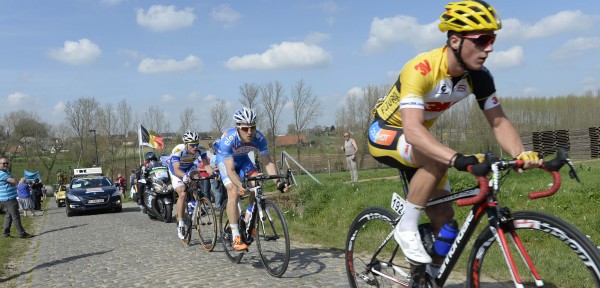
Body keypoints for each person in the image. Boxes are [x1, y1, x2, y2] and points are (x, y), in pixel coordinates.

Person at [367, 0, 542, 266]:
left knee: (445, 220)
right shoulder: (421, 68)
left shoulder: (478, 76)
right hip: (387, 132)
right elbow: (413, 130)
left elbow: (498, 122)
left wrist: (521, 153)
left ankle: (429, 274)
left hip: (420, 142)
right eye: (482, 40)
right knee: (437, 159)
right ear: (456, 41)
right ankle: (406, 226)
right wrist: (458, 159)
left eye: (492, 39)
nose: (490, 48)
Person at [215, 107, 289, 251]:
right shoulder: (229, 140)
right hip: (225, 161)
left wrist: (278, 183)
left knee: (258, 182)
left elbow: (268, 162)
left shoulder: (259, 138)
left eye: (252, 128)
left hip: (243, 161)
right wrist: (239, 184)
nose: (249, 132)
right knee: (233, 191)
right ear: (238, 128)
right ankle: (235, 235)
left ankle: (249, 214)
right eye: (245, 128)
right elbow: (230, 170)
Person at [168, 131, 214, 240]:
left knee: (196, 178)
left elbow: (206, 166)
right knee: (182, 193)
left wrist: (213, 173)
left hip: (189, 167)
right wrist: (184, 176)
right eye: (192, 145)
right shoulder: (178, 150)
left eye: (196, 144)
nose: (195, 147)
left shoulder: (201, 149)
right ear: (186, 144)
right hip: (176, 170)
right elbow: (176, 169)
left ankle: (195, 201)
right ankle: (180, 222)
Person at [0, 158, 34, 238]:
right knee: (16, 216)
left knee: (9, 215)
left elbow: (13, 182)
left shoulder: (4, 173)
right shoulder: (3, 174)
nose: (6, 165)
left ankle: (5, 233)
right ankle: (22, 233)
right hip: (9, 198)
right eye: (3, 163)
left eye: (7, 163)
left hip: (4, 198)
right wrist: (12, 181)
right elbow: (14, 182)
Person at [208, 141, 225, 209]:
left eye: (210, 149)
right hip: (214, 175)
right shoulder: (214, 156)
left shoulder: (215, 157)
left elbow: (218, 166)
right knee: (216, 190)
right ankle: (220, 204)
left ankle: (218, 206)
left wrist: (213, 169)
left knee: (217, 191)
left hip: (215, 175)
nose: (209, 150)